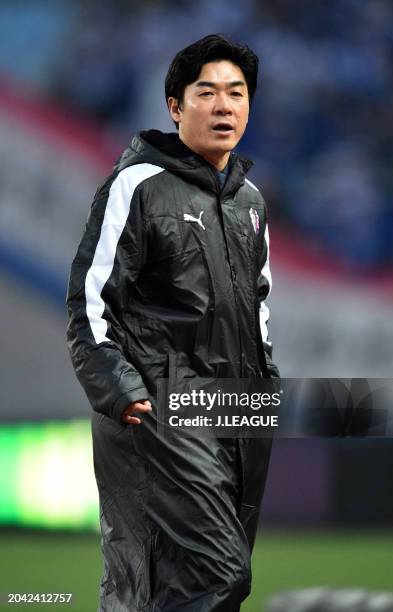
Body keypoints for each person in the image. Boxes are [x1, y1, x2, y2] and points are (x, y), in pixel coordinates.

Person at [67, 34, 279, 612]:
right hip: (161, 407)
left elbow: (257, 310)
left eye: (236, 93)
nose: (224, 105)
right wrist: (123, 390)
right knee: (219, 575)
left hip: (234, 414)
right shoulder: (136, 185)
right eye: (206, 91)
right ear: (175, 106)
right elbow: (89, 302)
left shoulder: (251, 203)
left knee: (160, 588)